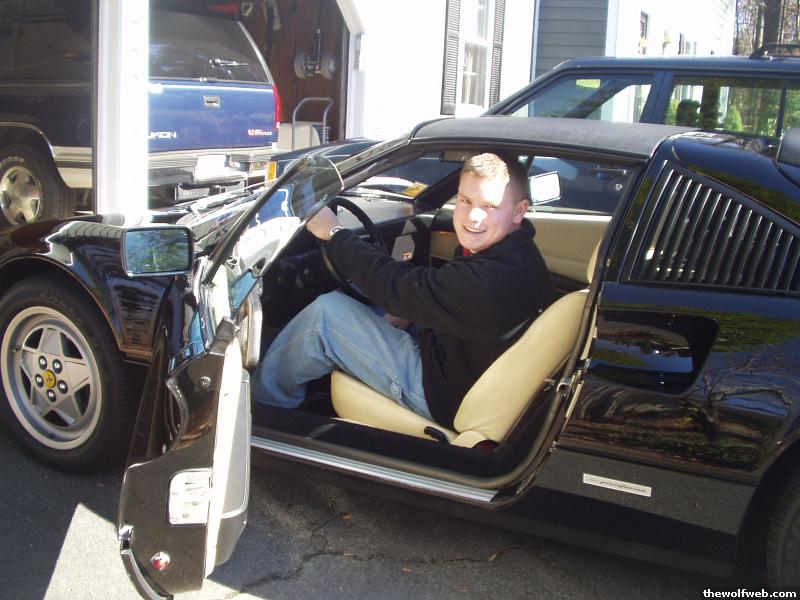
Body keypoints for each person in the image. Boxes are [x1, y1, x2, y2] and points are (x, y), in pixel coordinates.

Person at [252, 153, 555, 430]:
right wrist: (407, 310)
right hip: (460, 364)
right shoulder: (517, 255)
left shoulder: (487, 281)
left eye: (490, 206)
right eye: (465, 200)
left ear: (519, 211)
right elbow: (427, 291)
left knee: (325, 317)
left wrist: (334, 233)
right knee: (381, 309)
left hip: (442, 393)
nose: (473, 217)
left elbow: (394, 285)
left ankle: (262, 411)